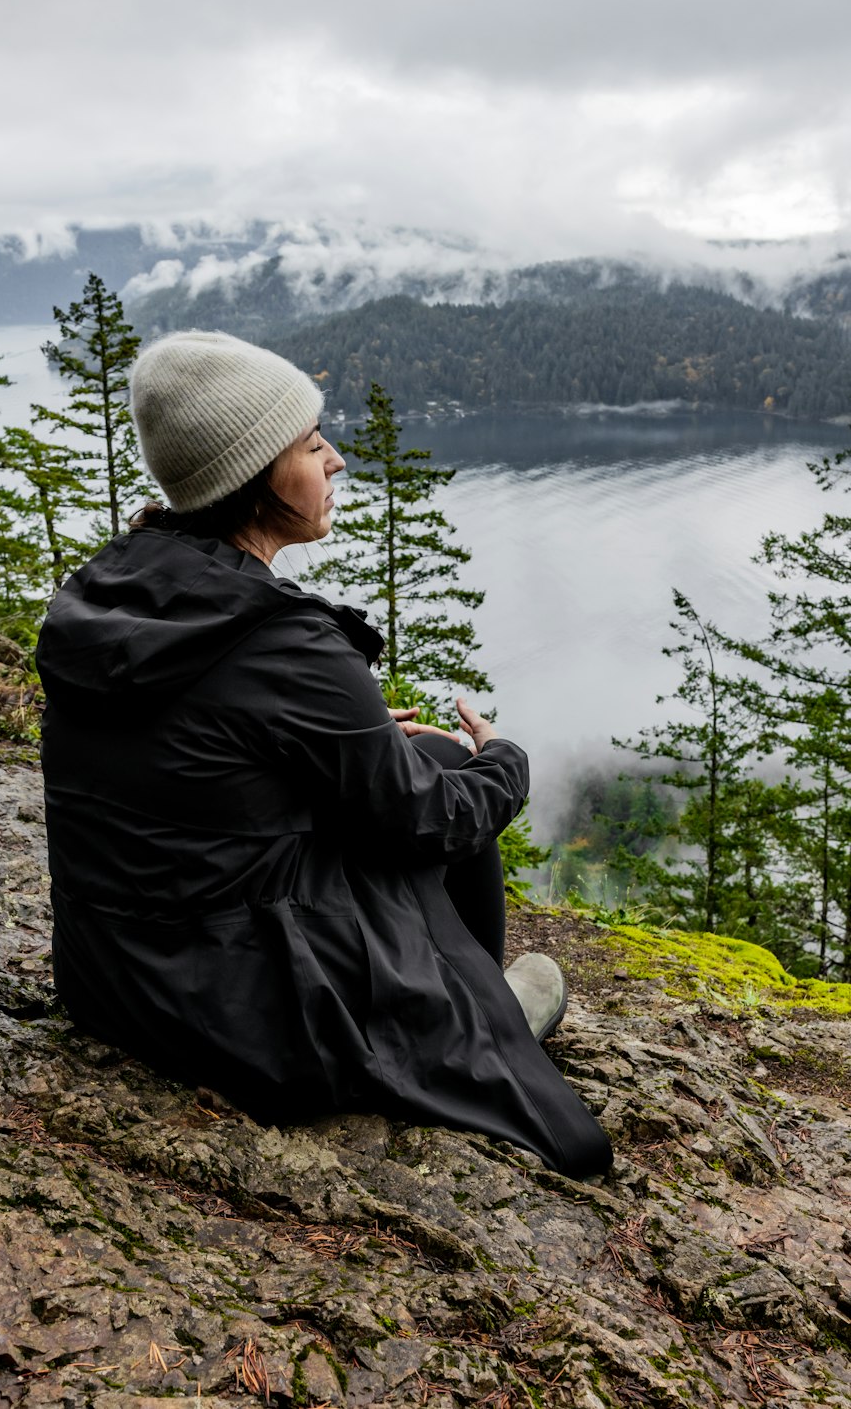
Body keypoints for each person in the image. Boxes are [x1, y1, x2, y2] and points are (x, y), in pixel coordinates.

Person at [36, 331, 613, 1180]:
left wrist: (328, 735)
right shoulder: (285, 643)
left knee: (396, 768)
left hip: (112, 978)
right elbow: (428, 822)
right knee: (448, 769)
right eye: (311, 445)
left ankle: (469, 1003)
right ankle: (479, 1020)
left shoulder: (109, 591)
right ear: (255, 475)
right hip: (237, 1014)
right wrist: (504, 759)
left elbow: (189, 757)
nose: (335, 459)